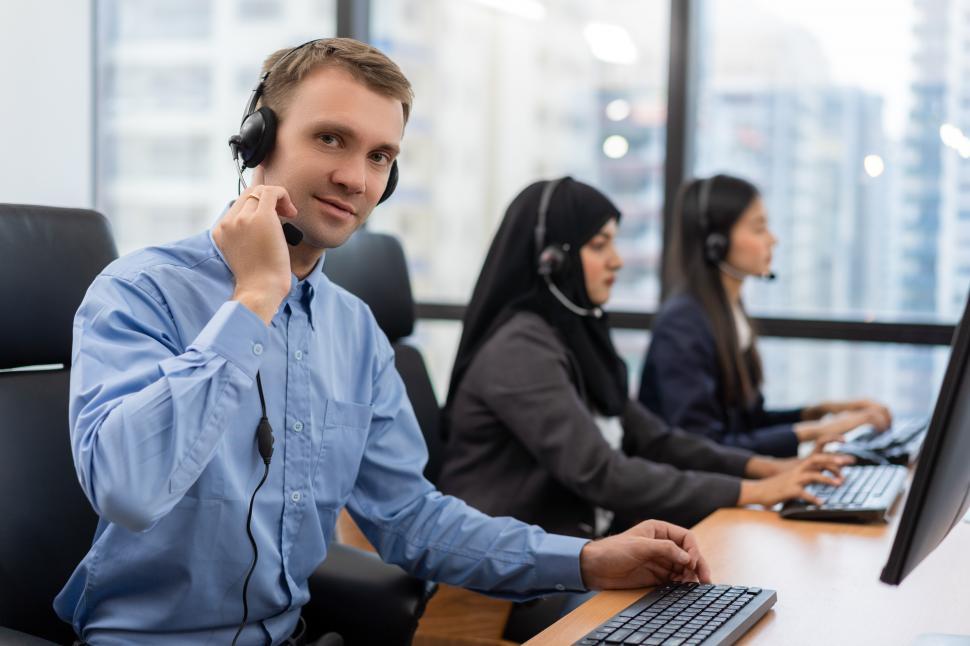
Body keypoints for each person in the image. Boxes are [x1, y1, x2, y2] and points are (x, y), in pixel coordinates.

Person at [55, 39, 710, 645]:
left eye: (379, 156)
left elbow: (411, 518)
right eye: (331, 139)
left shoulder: (355, 332)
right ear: (258, 140)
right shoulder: (139, 291)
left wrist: (590, 560)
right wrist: (254, 299)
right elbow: (130, 489)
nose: (356, 179)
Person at [438, 177, 850, 545]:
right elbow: (602, 473)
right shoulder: (520, 350)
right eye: (599, 245)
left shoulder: (574, 336)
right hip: (509, 577)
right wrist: (753, 491)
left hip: (580, 543)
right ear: (553, 261)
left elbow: (657, 439)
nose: (617, 260)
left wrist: (768, 469)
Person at [639, 174, 892, 457]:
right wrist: (817, 431)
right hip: (690, 495)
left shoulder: (728, 314)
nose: (772, 239)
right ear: (716, 243)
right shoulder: (683, 324)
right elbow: (704, 446)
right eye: (759, 228)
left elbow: (749, 425)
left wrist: (821, 412)